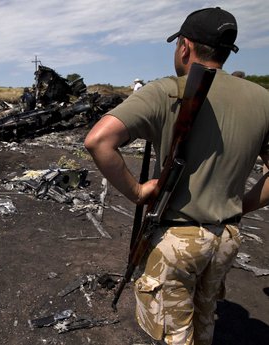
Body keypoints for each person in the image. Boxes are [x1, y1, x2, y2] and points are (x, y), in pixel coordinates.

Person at [85, 7, 269, 345]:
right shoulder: (263, 99)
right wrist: (240, 206)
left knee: (173, 336)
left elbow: (98, 140)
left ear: (184, 46)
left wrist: (137, 192)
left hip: (176, 239)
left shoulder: (167, 90)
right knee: (204, 322)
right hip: (226, 238)